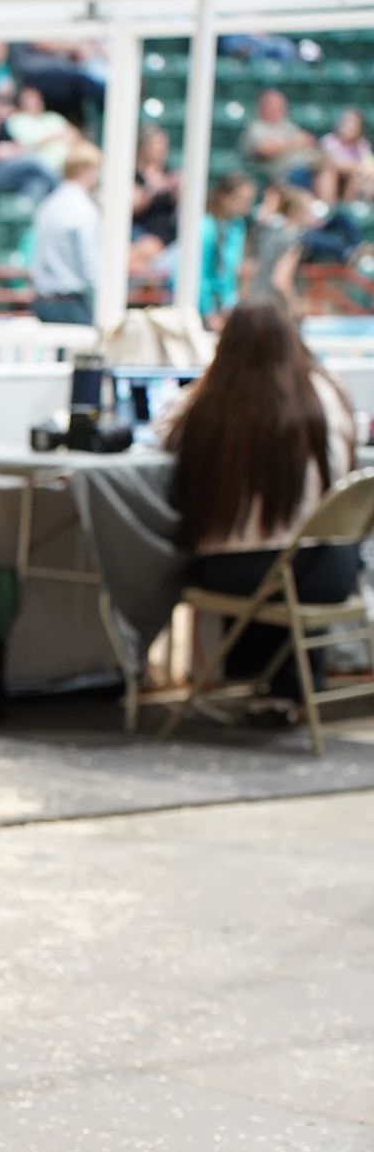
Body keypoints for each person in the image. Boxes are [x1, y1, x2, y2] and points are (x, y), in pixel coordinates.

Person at [165, 297, 357, 706]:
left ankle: (250, 681)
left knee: (190, 555)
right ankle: (292, 690)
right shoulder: (327, 395)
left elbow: (163, 431)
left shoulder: (211, 404)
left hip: (241, 571)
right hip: (330, 572)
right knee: (298, 551)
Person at [28, 143, 102, 324]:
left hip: (42, 300)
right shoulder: (84, 209)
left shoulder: (47, 204)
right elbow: (90, 261)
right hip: (70, 303)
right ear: (86, 170)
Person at [198, 172, 255, 323]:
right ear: (223, 196)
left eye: (249, 201)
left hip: (226, 308)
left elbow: (231, 272)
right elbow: (200, 274)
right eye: (241, 199)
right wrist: (208, 312)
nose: (246, 206)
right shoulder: (204, 228)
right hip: (203, 310)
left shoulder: (238, 226)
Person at [240, 88, 316, 183]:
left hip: (304, 167)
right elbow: (264, 150)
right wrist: (293, 143)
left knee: (328, 169)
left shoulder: (286, 125)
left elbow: (309, 140)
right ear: (262, 107)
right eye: (273, 105)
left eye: (281, 105)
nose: (278, 109)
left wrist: (291, 144)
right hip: (277, 176)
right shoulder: (255, 128)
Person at [6, 85, 77, 179]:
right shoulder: (17, 120)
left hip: (70, 161)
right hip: (41, 167)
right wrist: (56, 136)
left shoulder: (53, 117)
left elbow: (74, 134)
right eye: (28, 100)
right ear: (20, 103)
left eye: (36, 99)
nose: (34, 103)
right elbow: (27, 144)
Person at [132, 125, 180, 247]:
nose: (161, 149)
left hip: (168, 234)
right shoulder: (135, 175)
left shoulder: (169, 173)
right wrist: (153, 189)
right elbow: (134, 206)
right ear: (144, 147)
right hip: (142, 232)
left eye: (163, 144)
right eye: (157, 144)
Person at [320, 108, 374, 201]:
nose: (349, 127)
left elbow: (369, 164)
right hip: (334, 179)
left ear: (360, 127)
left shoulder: (362, 145)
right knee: (330, 172)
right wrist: (355, 167)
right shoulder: (329, 141)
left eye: (353, 124)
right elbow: (331, 163)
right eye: (345, 122)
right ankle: (334, 208)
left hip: (357, 178)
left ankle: (355, 209)